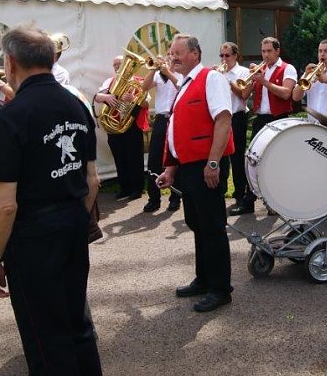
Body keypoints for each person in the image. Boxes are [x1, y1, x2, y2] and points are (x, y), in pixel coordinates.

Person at [0, 25, 110, 376]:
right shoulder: (76, 104)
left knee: (44, 335)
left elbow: (5, 203)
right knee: (77, 324)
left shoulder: (10, 118)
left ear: (10, 62)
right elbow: (92, 181)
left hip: (34, 234)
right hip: (74, 221)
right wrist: (74, 219)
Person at [155, 34, 235, 312]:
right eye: (171, 52)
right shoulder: (186, 84)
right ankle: (204, 279)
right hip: (189, 167)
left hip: (205, 166)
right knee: (197, 224)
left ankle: (220, 288)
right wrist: (171, 169)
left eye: (178, 52)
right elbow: (180, 130)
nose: (172, 57)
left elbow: (223, 120)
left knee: (212, 227)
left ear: (195, 54)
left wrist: (213, 163)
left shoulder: (211, 78)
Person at [229, 37, 297, 216]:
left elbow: (286, 94)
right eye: (263, 51)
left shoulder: (287, 68)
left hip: (279, 118)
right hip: (260, 118)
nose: (265, 55)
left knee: (276, 162)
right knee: (252, 159)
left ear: (277, 51)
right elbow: (244, 94)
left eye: (269, 51)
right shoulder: (261, 69)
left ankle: (275, 202)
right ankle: (249, 201)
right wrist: (250, 79)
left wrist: (265, 81)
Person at [94, 55, 149, 201]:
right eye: (115, 65)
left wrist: (135, 99)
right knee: (120, 158)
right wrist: (107, 97)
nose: (117, 67)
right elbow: (97, 97)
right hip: (115, 126)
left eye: (120, 64)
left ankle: (137, 189)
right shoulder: (109, 81)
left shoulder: (140, 82)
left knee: (134, 158)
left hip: (132, 126)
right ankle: (125, 188)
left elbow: (146, 104)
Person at [141, 54, 182, 213]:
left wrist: (168, 71)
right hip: (160, 119)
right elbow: (144, 88)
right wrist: (153, 69)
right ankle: (154, 198)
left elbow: (180, 86)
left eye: (173, 55)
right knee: (154, 160)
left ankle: (175, 198)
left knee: (175, 159)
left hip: (175, 119)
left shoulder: (180, 74)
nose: (171, 58)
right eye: (169, 55)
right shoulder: (158, 74)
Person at [218, 42, 251, 208]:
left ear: (235, 56)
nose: (224, 59)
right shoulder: (218, 73)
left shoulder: (243, 72)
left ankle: (240, 194)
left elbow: (244, 95)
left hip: (237, 116)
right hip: (221, 118)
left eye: (227, 55)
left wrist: (228, 80)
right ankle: (220, 192)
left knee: (237, 158)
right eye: (221, 56)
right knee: (220, 156)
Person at [291, 39, 327, 123]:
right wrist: (305, 76)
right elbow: (295, 97)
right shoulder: (310, 73)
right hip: (313, 125)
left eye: (326, 51)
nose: (322, 54)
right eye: (320, 51)